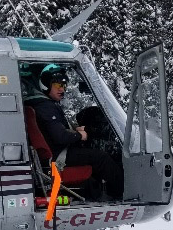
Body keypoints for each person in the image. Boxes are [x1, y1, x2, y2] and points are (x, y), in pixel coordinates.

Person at [25, 64, 124, 199]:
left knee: (92, 155)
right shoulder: (45, 106)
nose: (62, 89)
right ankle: (122, 193)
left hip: (55, 153)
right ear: (46, 85)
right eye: (57, 85)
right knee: (102, 158)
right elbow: (60, 137)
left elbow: (54, 129)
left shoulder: (40, 103)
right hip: (59, 157)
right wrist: (80, 135)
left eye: (64, 85)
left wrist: (74, 130)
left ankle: (96, 192)